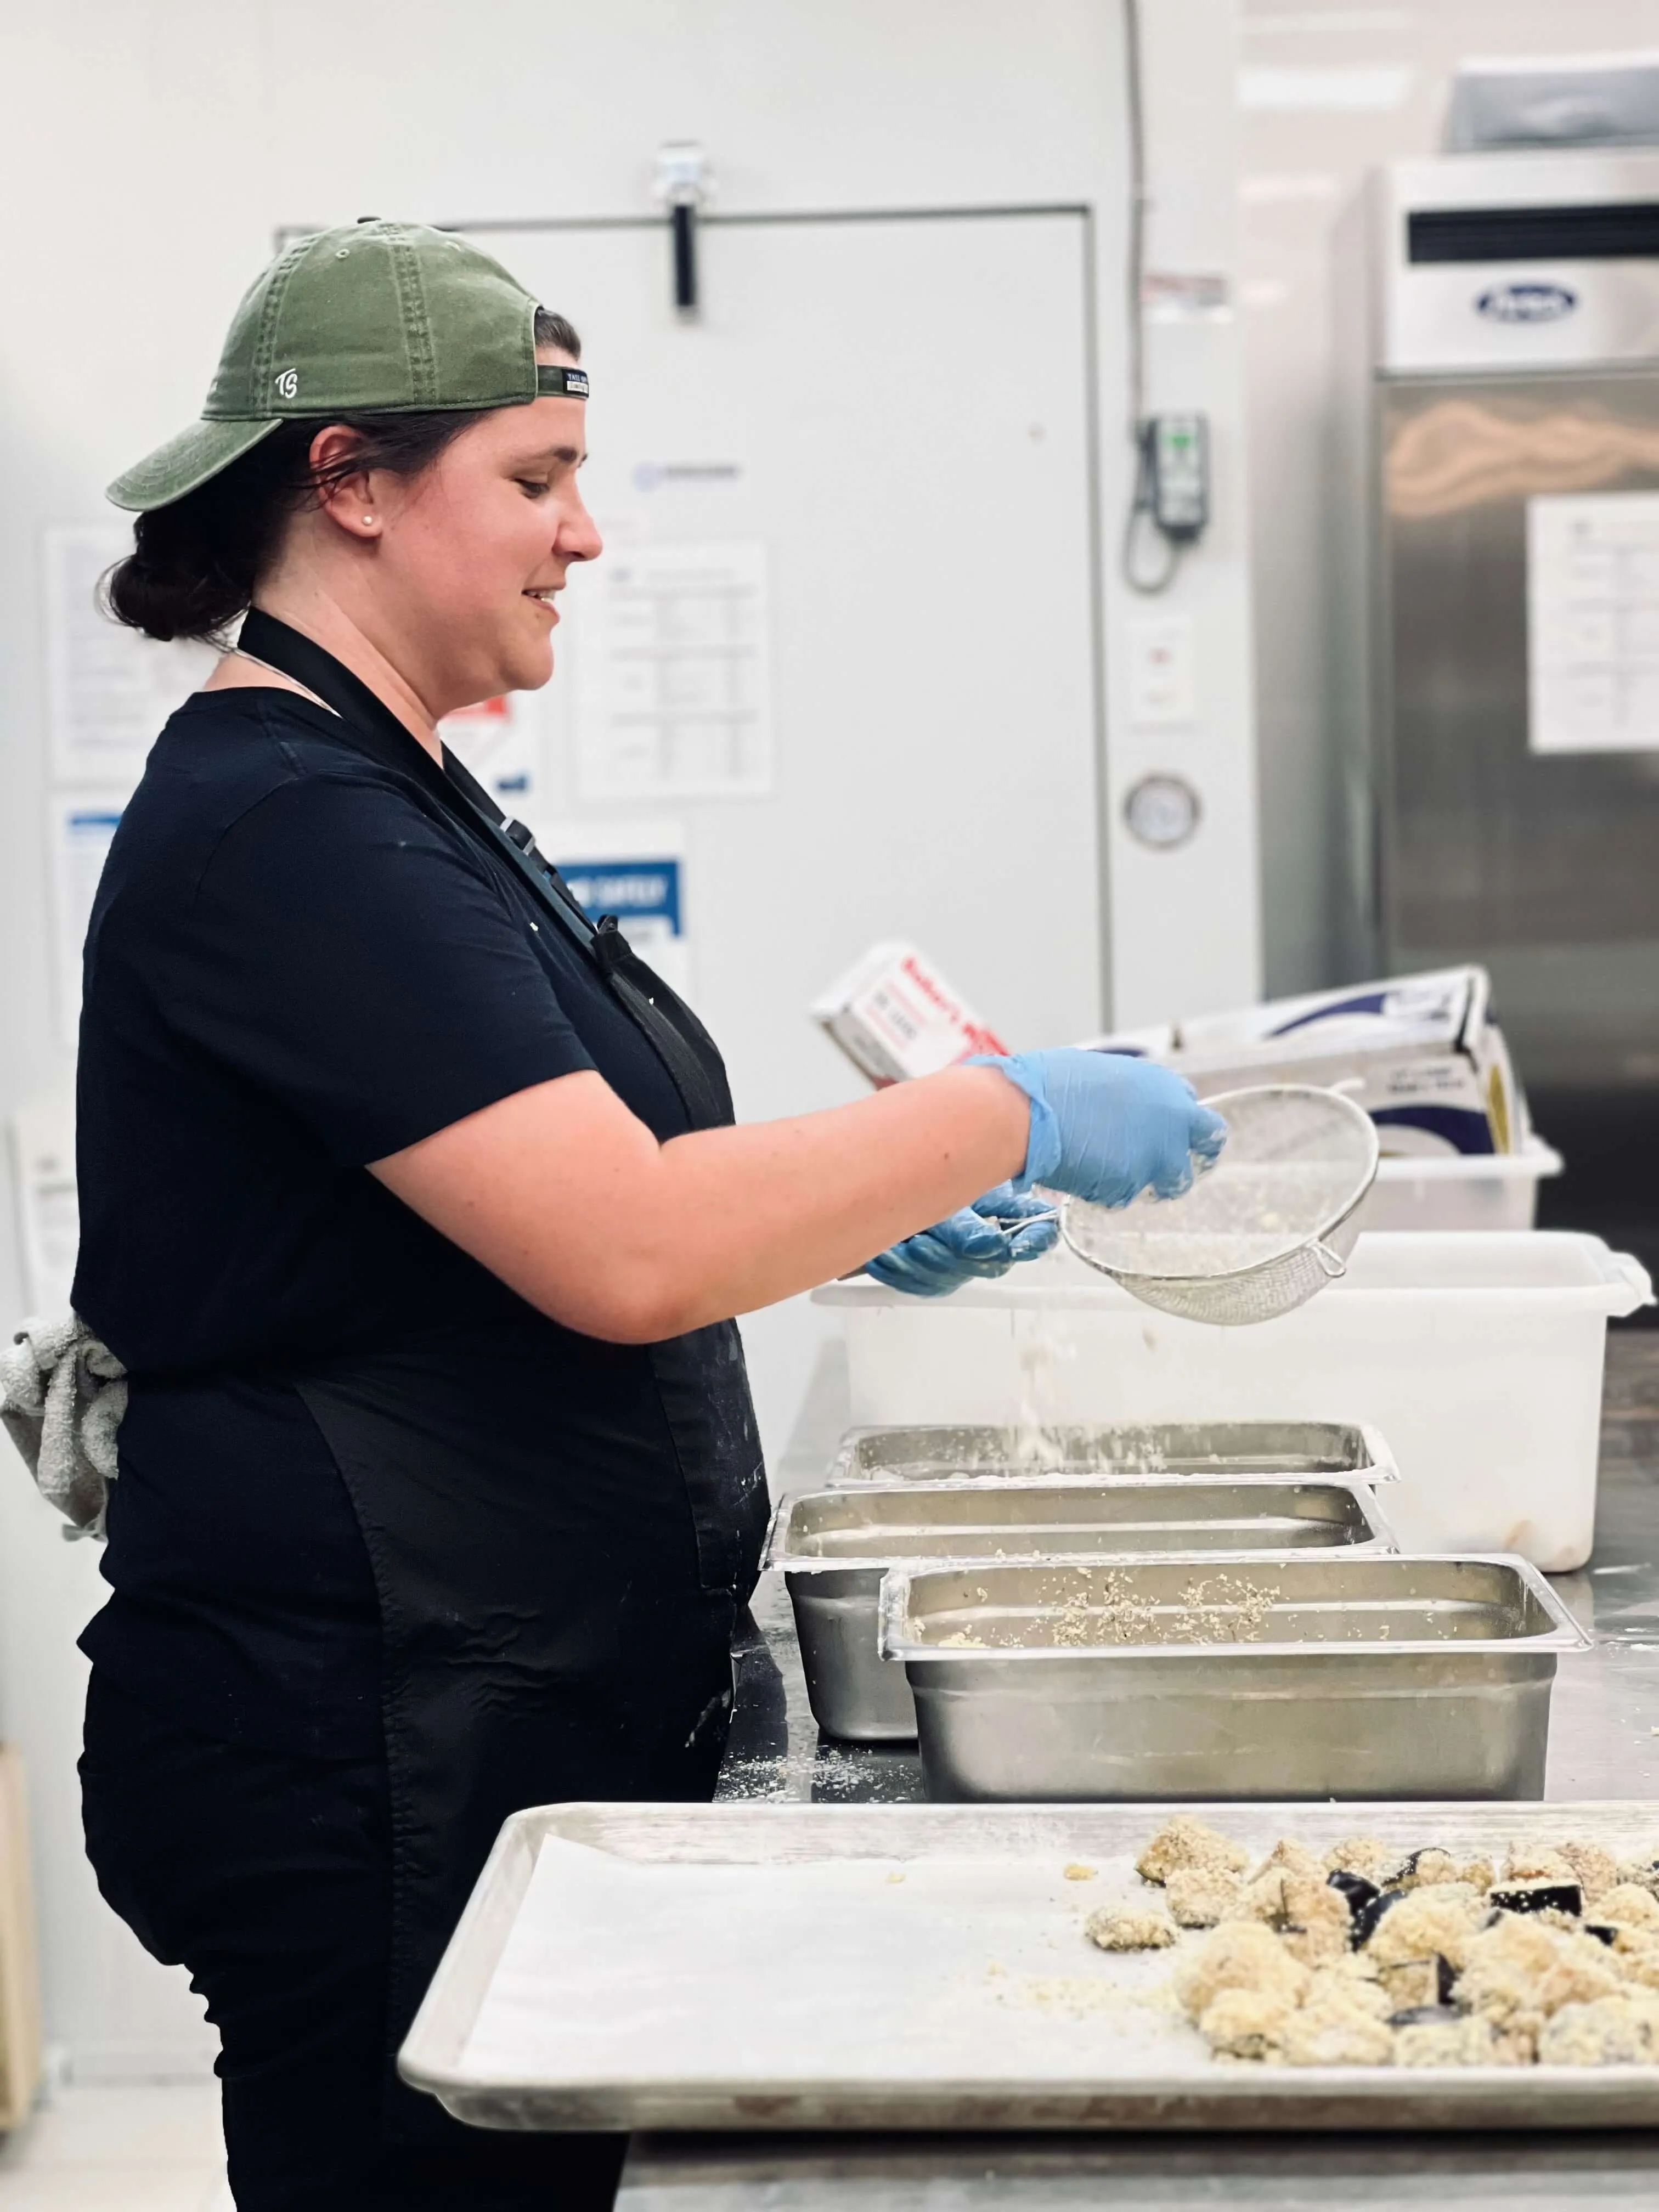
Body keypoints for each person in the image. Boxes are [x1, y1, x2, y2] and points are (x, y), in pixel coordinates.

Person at [71, 219, 1226, 2210]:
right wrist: (998, 1112)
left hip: (483, 1704)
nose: (583, 537)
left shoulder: (407, 795)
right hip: (372, 1747)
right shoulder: (288, 825)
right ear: (346, 481)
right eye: (533, 480)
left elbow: (522, 1211)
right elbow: (624, 1251)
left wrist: (845, 1220)